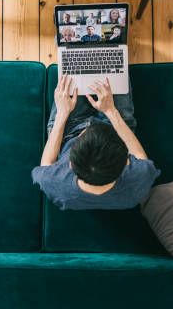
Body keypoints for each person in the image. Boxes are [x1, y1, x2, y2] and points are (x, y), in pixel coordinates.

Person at [31, 75, 160, 211]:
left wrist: (62, 114)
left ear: (71, 163)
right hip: (116, 125)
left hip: (68, 130)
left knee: (72, 67)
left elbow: (46, 163)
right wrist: (111, 111)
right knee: (114, 66)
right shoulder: (137, 184)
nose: (88, 128)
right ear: (127, 162)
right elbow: (139, 155)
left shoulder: (55, 183)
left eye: (83, 136)